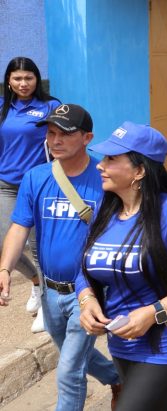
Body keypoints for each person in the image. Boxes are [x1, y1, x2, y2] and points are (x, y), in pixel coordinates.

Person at [75, 121, 167, 410]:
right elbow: (83, 269)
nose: (100, 166)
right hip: (121, 341)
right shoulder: (105, 211)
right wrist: (87, 299)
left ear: (140, 170)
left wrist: (155, 312)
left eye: (111, 159)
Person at [0, 104, 121, 411]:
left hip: (89, 291)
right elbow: (18, 228)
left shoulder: (105, 178)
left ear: (87, 137)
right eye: (51, 133)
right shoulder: (35, 177)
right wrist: (5, 269)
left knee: (68, 371)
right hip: (50, 292)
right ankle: (119, 378)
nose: (55, 140)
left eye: (65, 134)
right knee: (73, 353)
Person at [0, 57, 61, 332]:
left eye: (28, 78)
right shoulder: (3, 108)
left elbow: (64, 140)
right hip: (6, 185)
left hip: (39, 184)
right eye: (17, 78)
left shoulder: (50, 107)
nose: (23, 83)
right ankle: (37, 284)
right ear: (9, 81)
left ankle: (48, 308)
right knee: (4, 242)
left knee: (38, 247)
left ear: (37, 79)